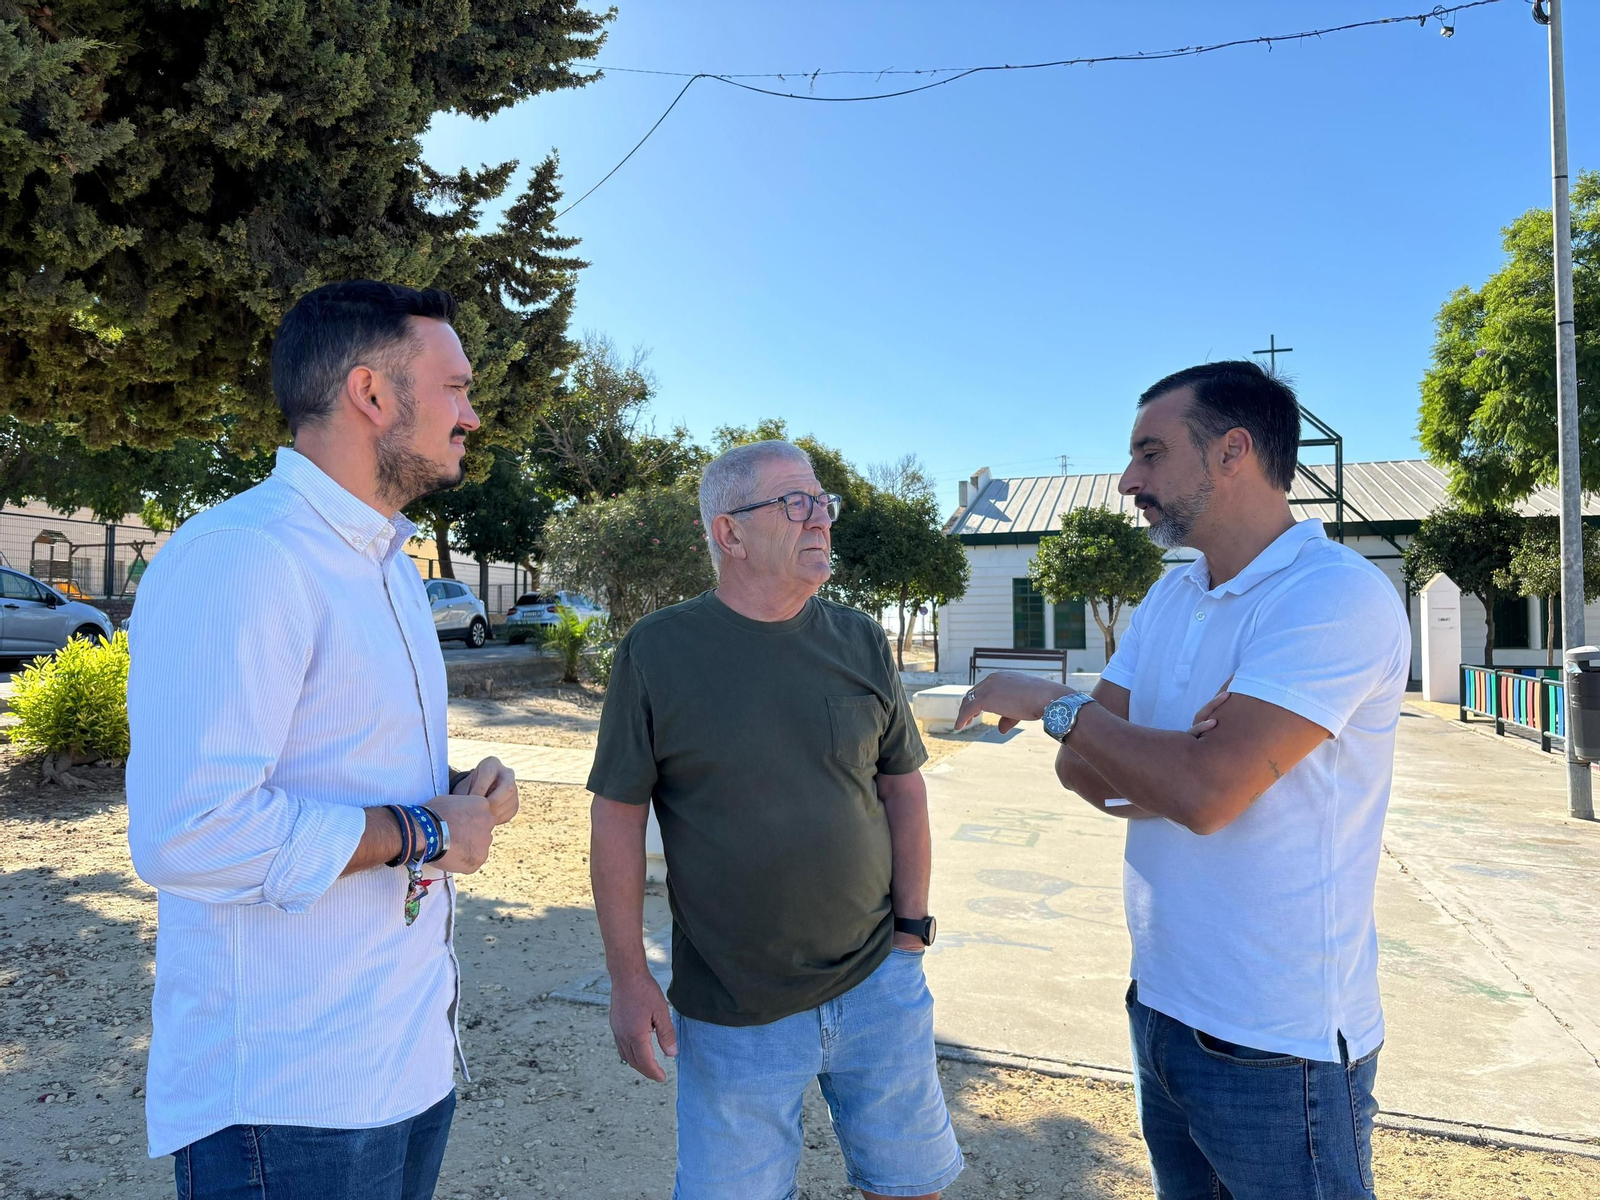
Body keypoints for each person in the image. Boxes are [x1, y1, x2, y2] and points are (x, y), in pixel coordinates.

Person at [956, 361, 1410, 1200]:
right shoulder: (1171, 599)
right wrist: (1166, 760)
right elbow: (1081, 769)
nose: (1129, 480)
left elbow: (1201, 795)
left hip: (1278, 1041)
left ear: (1233, 451)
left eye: (1151, 453)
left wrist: (1060, 705)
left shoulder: (1333, 597)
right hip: (1160, 1008)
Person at [127, 280, 521, 1200]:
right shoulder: (247, 555)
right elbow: (189, 832)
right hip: (289, 1098)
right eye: (455, 387)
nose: (472, 413)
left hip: (406, 1059)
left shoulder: (384, 563)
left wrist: (454, 789)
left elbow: (340, 763)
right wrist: (424, 830)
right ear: (371, 394)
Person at [588, 439, 964, 1200]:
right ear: (728, 533)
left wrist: (910, 935)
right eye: (796, 503)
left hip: (877, 987)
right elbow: (618, 818)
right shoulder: (657, 651)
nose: (820, 518)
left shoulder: (859, 638)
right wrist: (629, 979)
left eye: (823, 502)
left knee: (911, 1187)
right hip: (733, 1009)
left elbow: (903, 789)